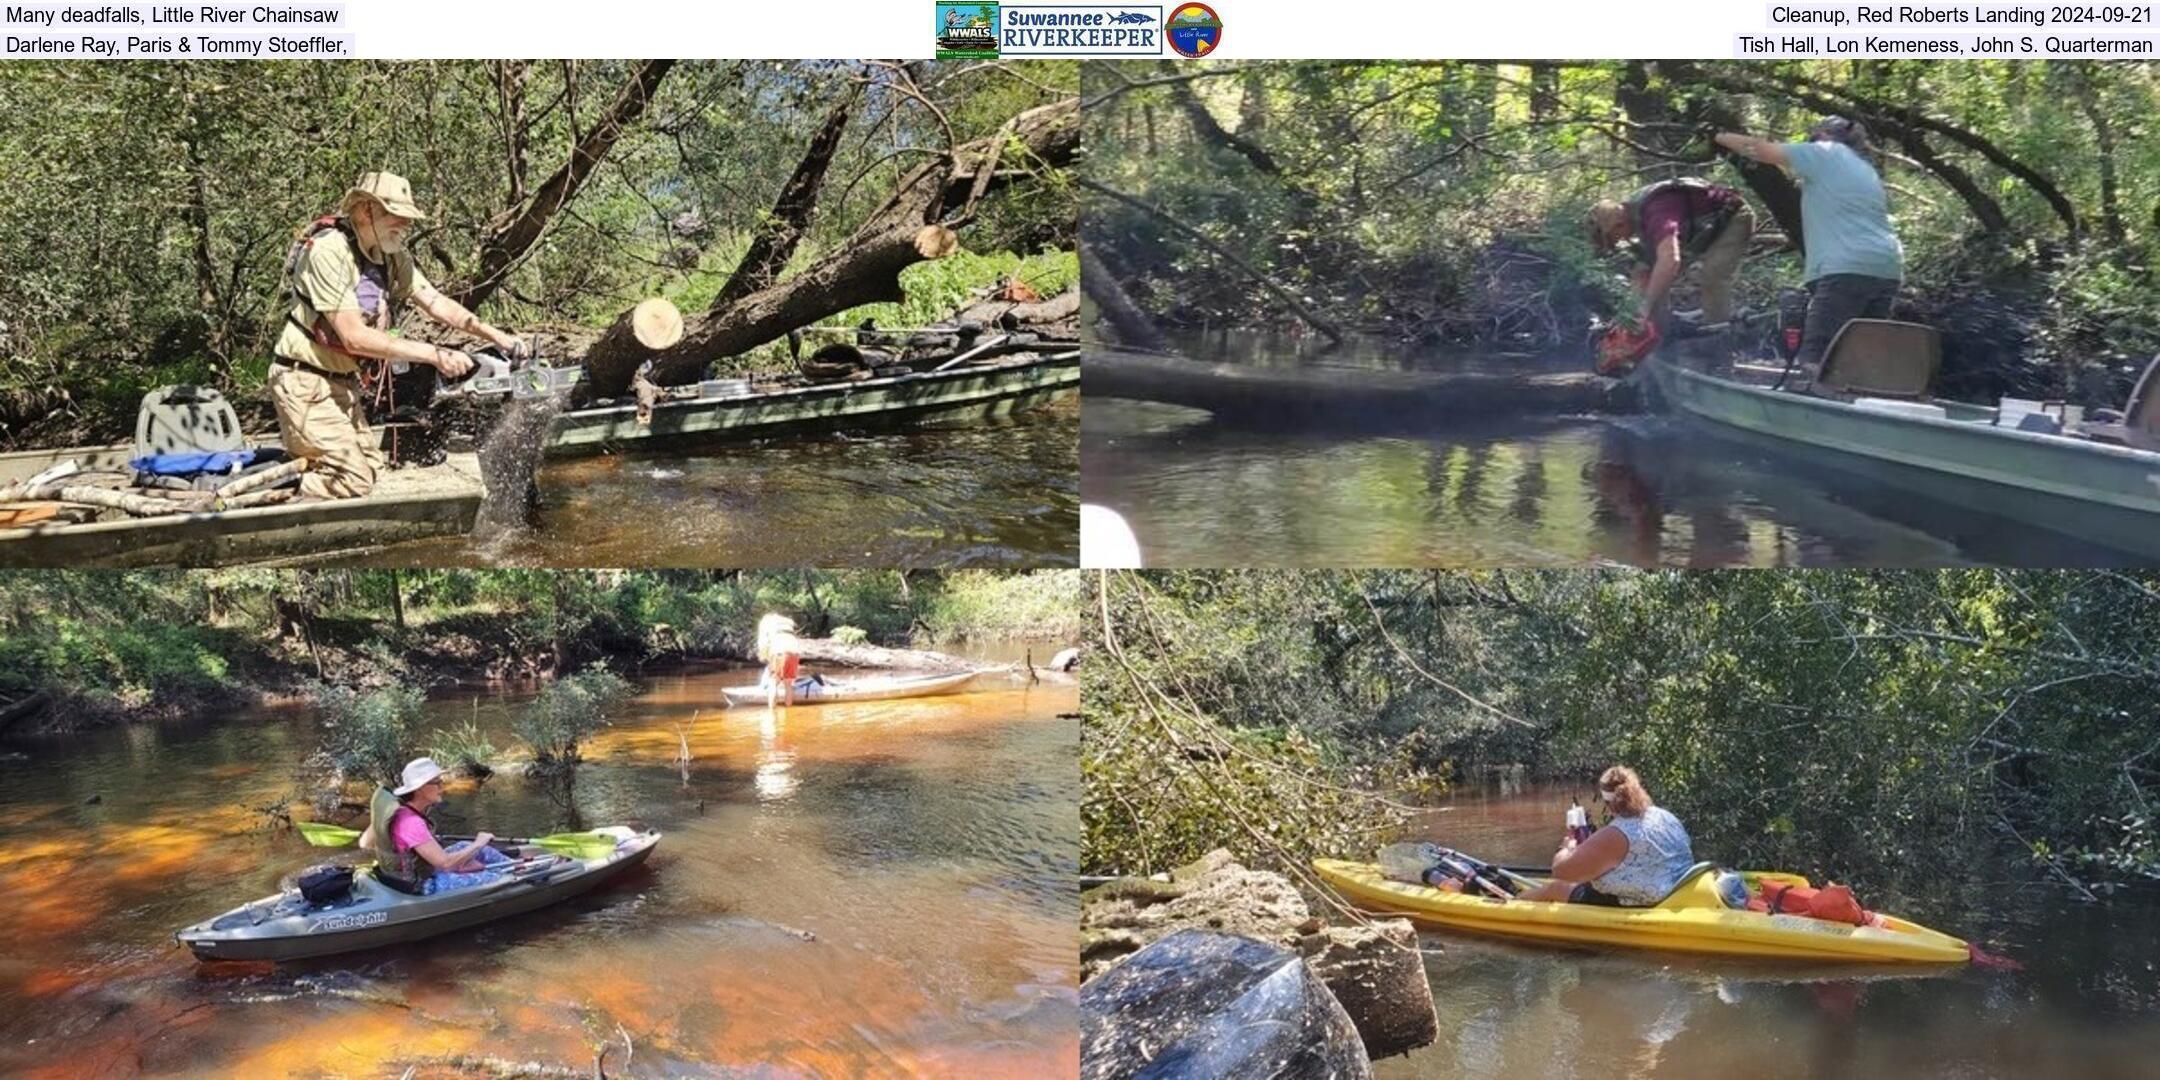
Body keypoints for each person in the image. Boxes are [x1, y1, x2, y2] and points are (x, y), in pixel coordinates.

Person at [272, 170, 530, 500]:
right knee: (352, 480)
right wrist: (434, 355)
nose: (406, 225)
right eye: (398, 215)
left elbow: (435, 302)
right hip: (303, 381)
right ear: (366, 210)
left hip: (342, 384)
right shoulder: (329, 252)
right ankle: (254, 493)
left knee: (371, 472)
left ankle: (296, 482)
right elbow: (354, 337)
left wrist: (497, 337)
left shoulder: (391, 254)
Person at [1713, 118, 1905, 383]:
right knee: (1860, 357)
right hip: (1887, 268)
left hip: (1847, 268)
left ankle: (1814, 411)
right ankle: (1862, 406)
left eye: (1813, 137)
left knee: (1816, 356)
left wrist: (1718, 135)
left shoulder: (1826, 153)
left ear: (1824, 136)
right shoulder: (1865, 168)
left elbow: (1761, 150)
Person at [1588, 177, 1756, 331]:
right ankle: (1661, 336)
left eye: (1613, 238)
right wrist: (1632, 311)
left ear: (1619, 224)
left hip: (1731, 217)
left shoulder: (1656, 212)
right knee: (1649, 275)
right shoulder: (1634, 216)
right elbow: (1642, 273)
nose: (1619, 241)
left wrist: (1645, 305)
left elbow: (1670, 261)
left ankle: (1719, 340)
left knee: (1713, 275)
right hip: (1699, 228)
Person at [1517, 765, 1695, 905]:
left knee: (1555, 888)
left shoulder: (1616, 833)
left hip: (1642, 900)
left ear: (1609, 804)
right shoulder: (1665, 816)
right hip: (1676, 889)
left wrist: (1567, 847)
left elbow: (1560, 872)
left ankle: (1509, 905)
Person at [357, 757, 514, 894]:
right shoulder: (412, 823)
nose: (442, 787)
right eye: (436, 783)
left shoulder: (398, 811)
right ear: (420, 788)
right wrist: (479, 843)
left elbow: (364, 843)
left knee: (464, 845)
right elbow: (445, 864)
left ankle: (515, 865)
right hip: (420, 884)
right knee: (496, 878)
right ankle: (516, 876)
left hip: (404, 875)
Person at [755, 613, 804, 708]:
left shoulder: (767, 622)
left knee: (773, 683)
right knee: (788, 684)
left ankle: (771, 713)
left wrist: (765, 657)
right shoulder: (787, 624)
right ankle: (788, 710)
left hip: (779, 652)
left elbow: (763, 643)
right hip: (794, 652)